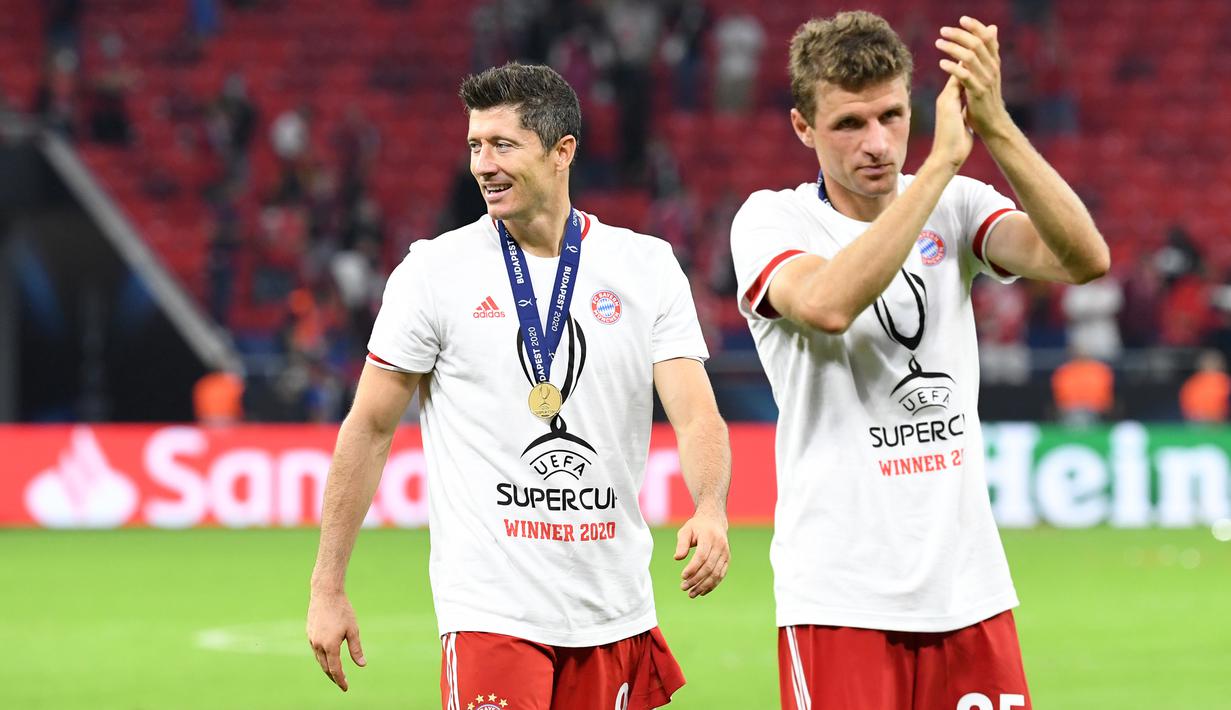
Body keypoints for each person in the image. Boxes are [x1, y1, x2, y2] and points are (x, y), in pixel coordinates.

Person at [307, 63, 731, 710]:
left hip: (612, 607)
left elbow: (696, 415)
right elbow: (368, 427)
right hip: (490, 611)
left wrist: (709, 507)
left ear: (562, 152)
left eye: (502, 145)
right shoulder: (434, 273)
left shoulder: (644, 268)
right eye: (475, 145)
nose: (483, 164)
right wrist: (327, 584)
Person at [730, 12, 1108, 710]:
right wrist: (937, 165)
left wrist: (994, 127)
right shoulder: (769, 220)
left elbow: (1084, 259)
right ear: (801, 127)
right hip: (841, 595)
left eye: (891, 116)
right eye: (848, 124)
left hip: (969, 588)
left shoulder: (957, 204)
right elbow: (826, 304)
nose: (876, 143)